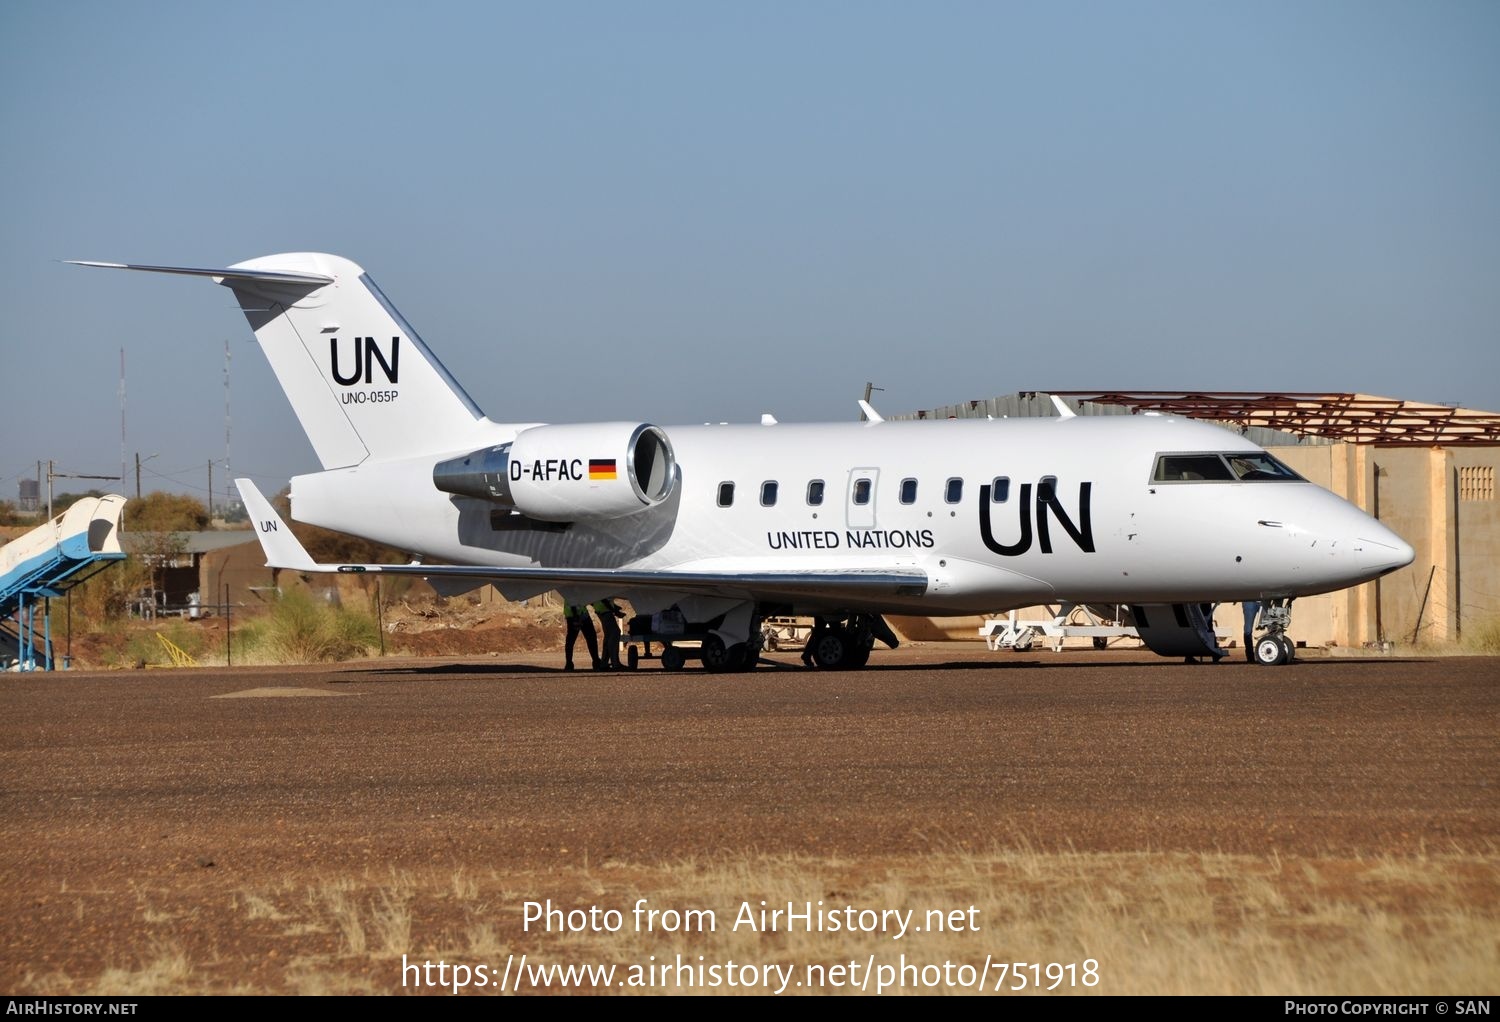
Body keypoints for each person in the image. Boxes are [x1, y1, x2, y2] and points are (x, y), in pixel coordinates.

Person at [563, 603, 601, 671]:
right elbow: (572, 600)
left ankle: (569, 664)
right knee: (589, 638)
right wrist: (576, 617)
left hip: (581, 613)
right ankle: (596, 662)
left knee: (572, 640)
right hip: (575, 615)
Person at [593, 598, 625, 669]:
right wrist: (614, 611)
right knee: (614, 633)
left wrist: (614, 608)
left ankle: (604, 663)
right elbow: (604, 598)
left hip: (601, 610)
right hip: (605, 610)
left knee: (608, 636)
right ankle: (615, 663)